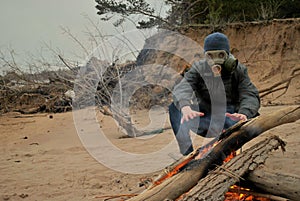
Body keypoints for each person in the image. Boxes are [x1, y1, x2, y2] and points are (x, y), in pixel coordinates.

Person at [169, 32, 260, 155]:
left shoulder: (239, 70)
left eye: (220, 55)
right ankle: (187, 156)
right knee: (174, 109)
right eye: (210, 56)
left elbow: (249, 94)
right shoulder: (198, 69)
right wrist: (185, 107)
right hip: (205, 121)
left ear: (227, 55)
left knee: (253, 115)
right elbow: (182, 87)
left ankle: (232, 149)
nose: (216, 60)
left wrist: (244, 114)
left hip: (231, 121)